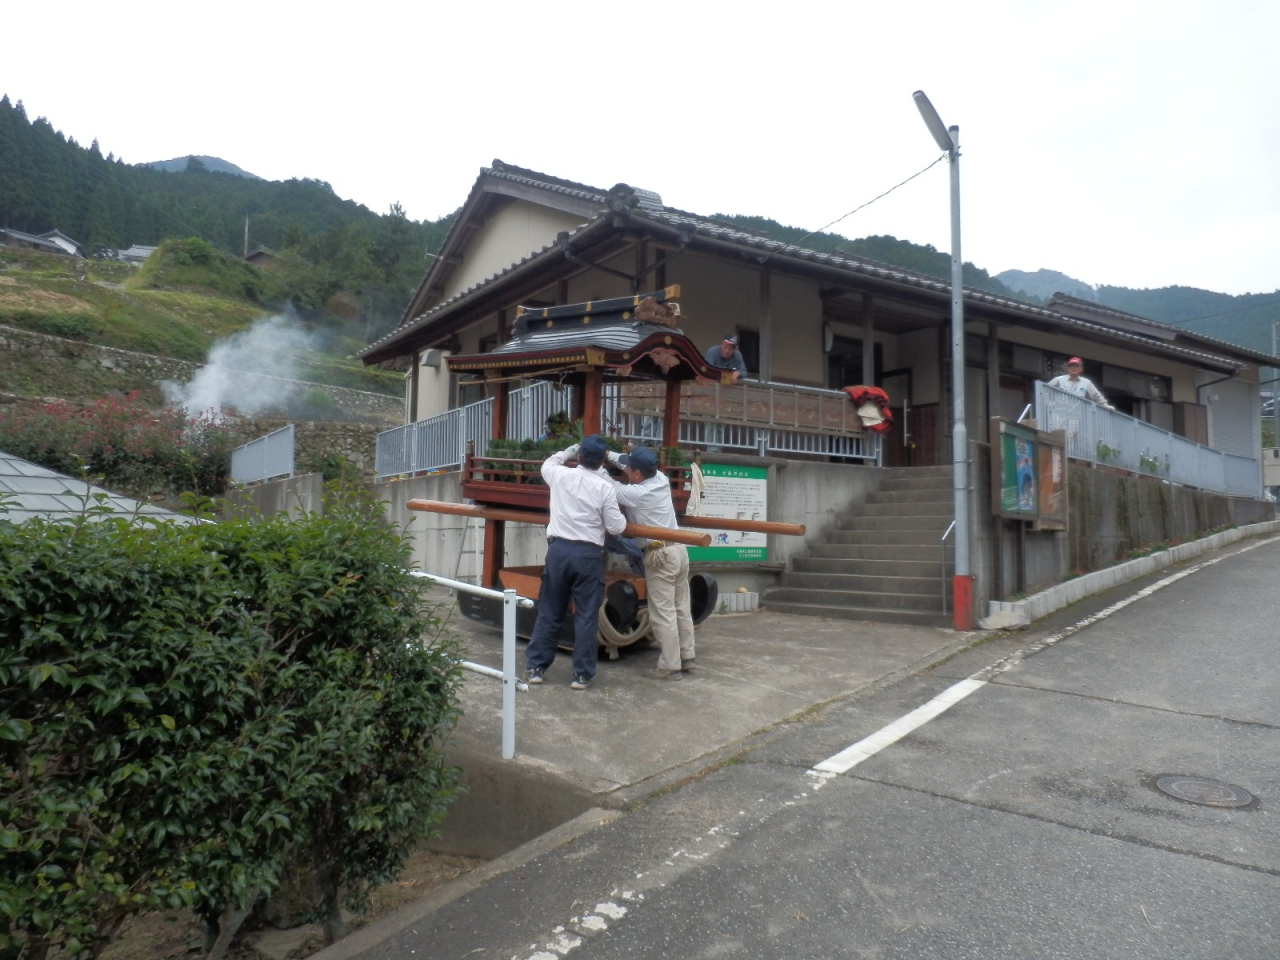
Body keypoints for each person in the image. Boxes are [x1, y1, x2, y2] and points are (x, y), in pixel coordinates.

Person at [525, 434, 627, 690]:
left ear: (579, 456)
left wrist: (567, 450)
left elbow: (548, 463)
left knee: (549, 610)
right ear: (603, 460)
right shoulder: (605, 488)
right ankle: (581, 674)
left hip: (558, 551)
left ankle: (536, 667)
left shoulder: (560, 475)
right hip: (587, 554)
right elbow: (616, 527)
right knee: (585, 616)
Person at [607, 446, 696, 681]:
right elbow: (624, 464)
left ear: (637, 474)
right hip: (678, 550)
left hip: (659, 556)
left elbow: (607, 485)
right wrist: (609, 455)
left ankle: (669, 666)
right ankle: (687, 657)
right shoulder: (661, 479)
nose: (625, 470)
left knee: (663, 613)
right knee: (681, 608)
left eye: (628, 469)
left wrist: (594, 463)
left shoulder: (635, 494)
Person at [1047, 356, 1114, 410]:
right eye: (1071, 366)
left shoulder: (1086, 383)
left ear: (1081, 369)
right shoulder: (1059, 380)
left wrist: (1106, 406)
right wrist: (1050, 404)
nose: (1074, 368)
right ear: (1067, 369)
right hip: (1059, 415)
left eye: (1076, 366)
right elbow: (1044, 389)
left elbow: (1096, 396)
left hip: (1077, 418)